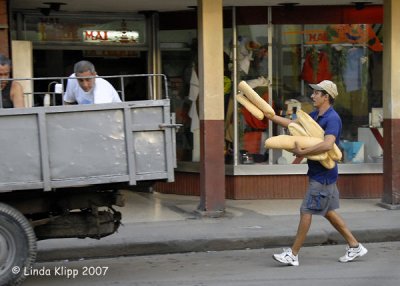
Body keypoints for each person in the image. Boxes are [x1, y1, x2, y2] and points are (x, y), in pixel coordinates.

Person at [269, 80, 367, 266]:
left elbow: (328, 144)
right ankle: (355, 246)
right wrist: (270, 116)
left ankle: (293, 254)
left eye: (316, 93)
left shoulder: (332, 118)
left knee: (306, 210)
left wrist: (302, 153)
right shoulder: (315, 115)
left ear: (326, 97)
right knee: (328, 212)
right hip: (320, 173)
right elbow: (293, 124)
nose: (312, 96)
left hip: (323, 175)